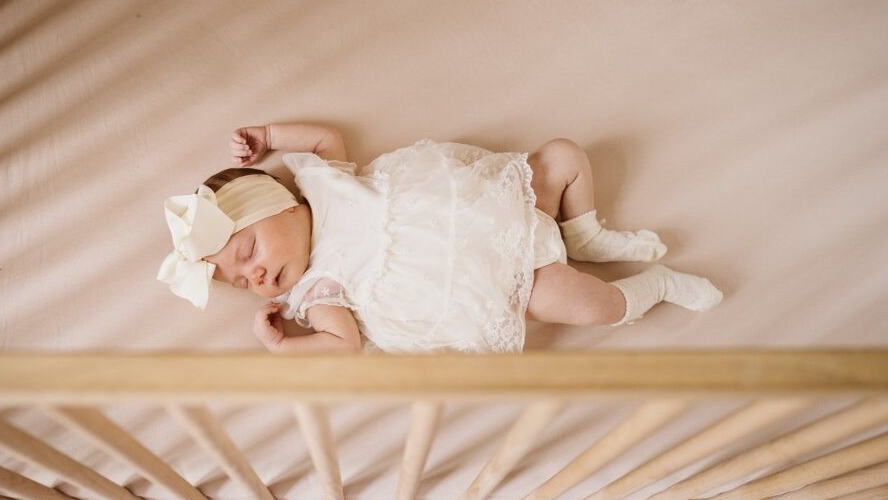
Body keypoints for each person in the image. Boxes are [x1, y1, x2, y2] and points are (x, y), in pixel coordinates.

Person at [156, 123, 722, 354]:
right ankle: (659, 285)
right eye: (238, 280)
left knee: (563, 156)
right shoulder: (314, 291)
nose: (252, 275)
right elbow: (344, 345)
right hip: (503, 279)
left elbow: (327, 136)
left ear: (280, 204)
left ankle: (586, 233)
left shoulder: (319, 182)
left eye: (248, 251)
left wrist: (269, 135)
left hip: (493, 207)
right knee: (589, 306)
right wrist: (285, 347)